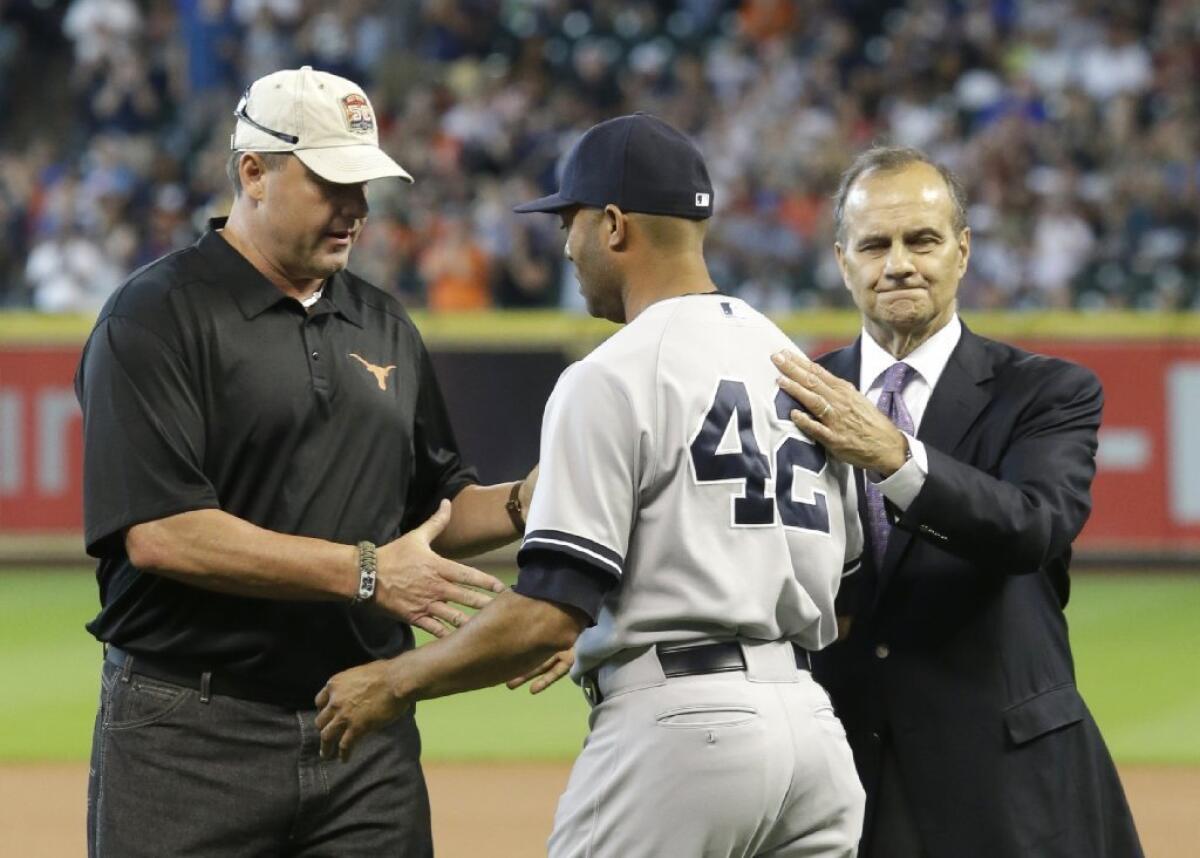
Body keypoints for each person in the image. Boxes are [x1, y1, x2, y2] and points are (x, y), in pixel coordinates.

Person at [315, 113, 867, 857]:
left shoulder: (613, 372)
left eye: (570, 222)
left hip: (681, 735)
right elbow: (850, 584)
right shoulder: (791, 361)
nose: (566, 244)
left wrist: (395, 680)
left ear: (613, 226)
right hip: (813, 738)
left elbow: (547, 615)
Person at [75, 66, 542, 857]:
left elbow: (433, 511)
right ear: (253, 172)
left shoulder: (383, 321)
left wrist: (530, 502)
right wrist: (366, 572)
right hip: (189, 735)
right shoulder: (154, 316)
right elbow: (161, 532)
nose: (356, 207)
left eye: (364, 183)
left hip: (362, 730)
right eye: (332, 181)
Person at [771, 146, 1143, 857]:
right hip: (844, 776)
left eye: (923, 240)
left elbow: (1034, 526)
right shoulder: (796, 399)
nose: (900, 263)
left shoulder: (1046, 391)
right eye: (876, 244)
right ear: (842, 259)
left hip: (1006, 785)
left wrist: (896, 457)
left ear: (963, 251)